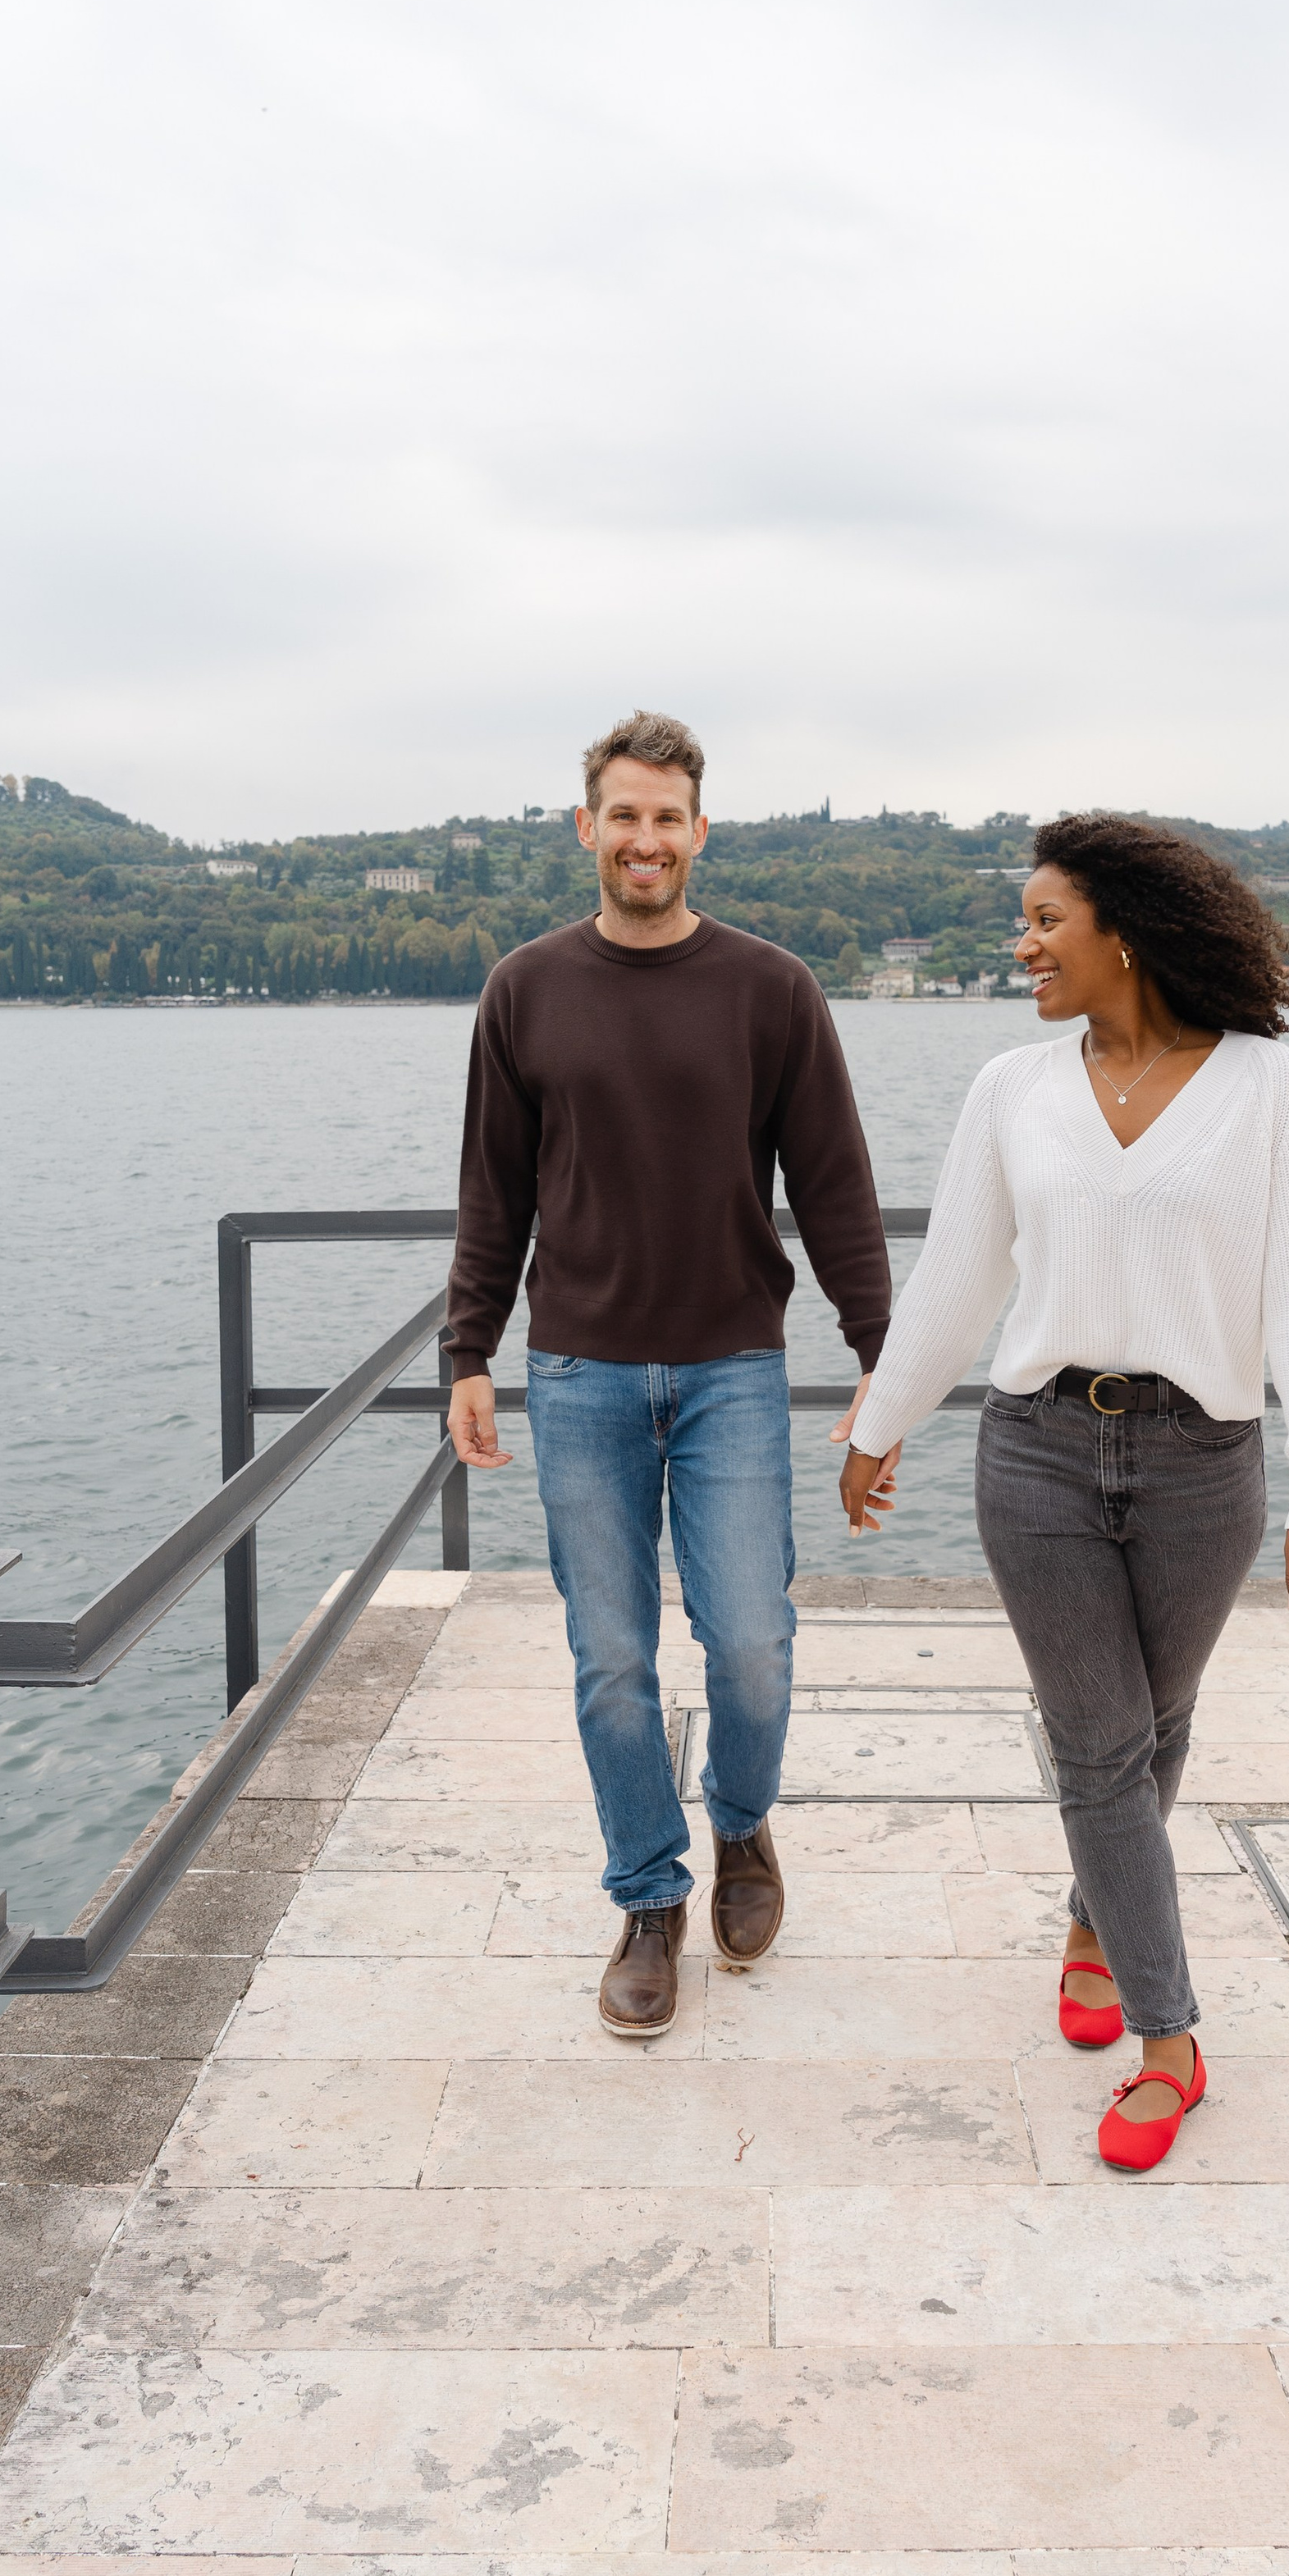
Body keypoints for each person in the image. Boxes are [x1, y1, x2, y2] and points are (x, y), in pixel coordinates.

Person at [839, 813, 1289, 2172]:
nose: (1022, 946)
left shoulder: (1265, 1089)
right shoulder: (1012, 1087)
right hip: (1039, 1453)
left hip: (1207, 1464)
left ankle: (1094, 1920)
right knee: (1097, 1744)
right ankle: (1170, 2041)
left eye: (1044, 922)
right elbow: (958, 1271)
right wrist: (882, 1419)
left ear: (1121, 933)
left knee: (1155, 1727)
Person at [445, 710, 890, 2041]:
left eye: (668, 817)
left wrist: (887, 1360)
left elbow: (836, 1190)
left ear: (701, 831)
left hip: (732, 1372)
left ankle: (744, 1829)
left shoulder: (771, 990)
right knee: (611, 1660)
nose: (646, 840)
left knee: (751, 1643)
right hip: (578, 1373)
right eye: (623, 816)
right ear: (588, 828)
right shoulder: (524, 989)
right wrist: (467, 1348)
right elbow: (491, 1191)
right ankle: (650, 1897)